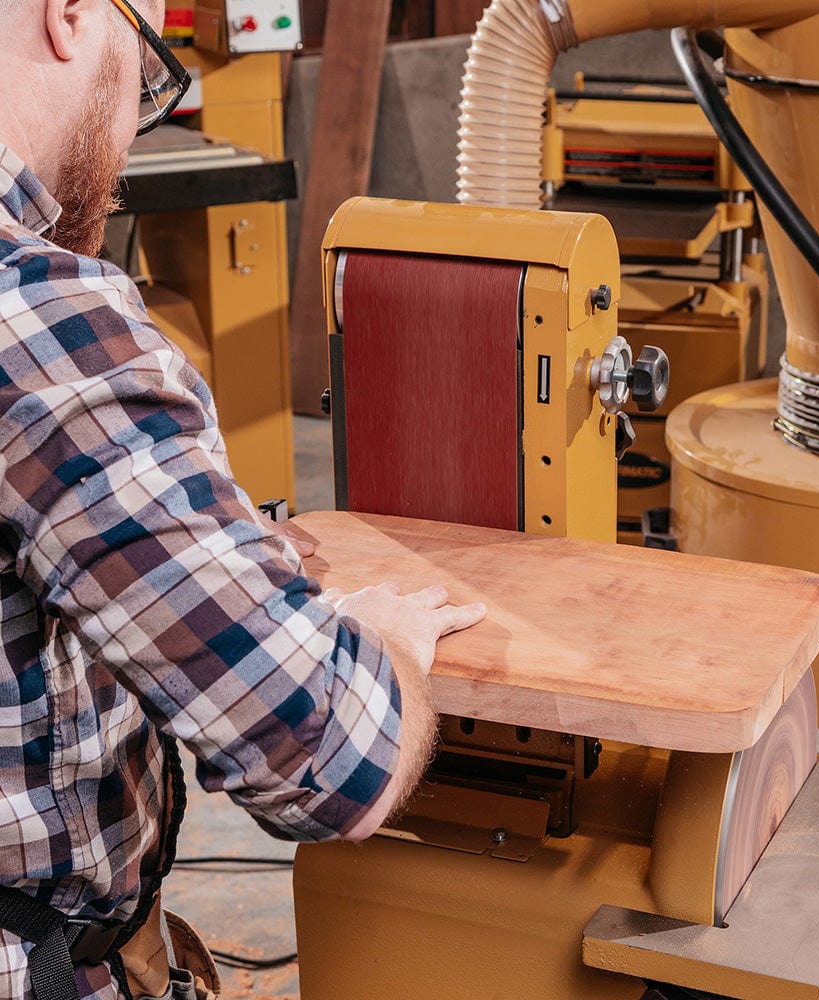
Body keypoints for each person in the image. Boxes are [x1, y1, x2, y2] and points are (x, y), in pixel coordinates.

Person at [0, 2, 487, 998]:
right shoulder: (40, 318)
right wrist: (385, 637)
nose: (133, 132)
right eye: (144, 79)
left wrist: (209, 550)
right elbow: (330, 753)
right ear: (72, 15)